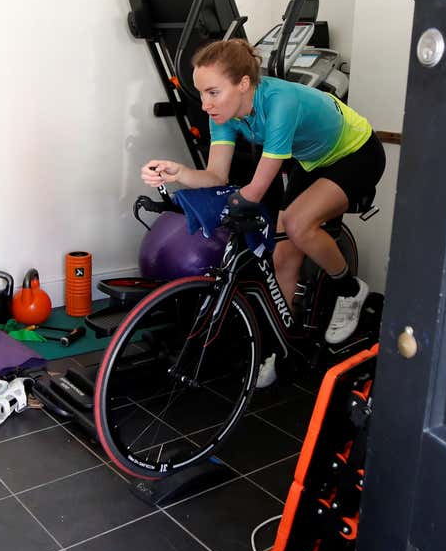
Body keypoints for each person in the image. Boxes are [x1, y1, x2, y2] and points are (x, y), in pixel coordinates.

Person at [140, 39, 384, 385]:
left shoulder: (279, 101)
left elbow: (256, 188)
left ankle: (349, 290)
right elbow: (215, 176)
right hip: (313, 161)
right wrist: (178, 172)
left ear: (243, 84)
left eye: (213, 92)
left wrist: (236, 203)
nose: (206, 104)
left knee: (298, 224)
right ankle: (278, 346)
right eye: (202, 94)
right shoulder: (223, 115)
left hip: (356, 153)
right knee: (282, 256)